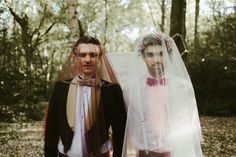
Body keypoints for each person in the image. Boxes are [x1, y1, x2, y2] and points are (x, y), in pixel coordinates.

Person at [121, 32, 203, 157]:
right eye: (150, 55)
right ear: (143, 57)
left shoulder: (183, 87)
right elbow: (130, 127)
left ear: (169, 55)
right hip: (144, 153)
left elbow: (191, 127)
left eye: (161, 54)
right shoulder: (131, 89)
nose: (157, 59)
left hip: (176, 152)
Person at [44, 36, 127, 157]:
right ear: (75, 57)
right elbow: (51, 129)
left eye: (93, 55)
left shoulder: (111, 89)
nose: (87, 59)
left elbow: (120, 132)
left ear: (99, 57)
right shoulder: (61, 88)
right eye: (82, 55)